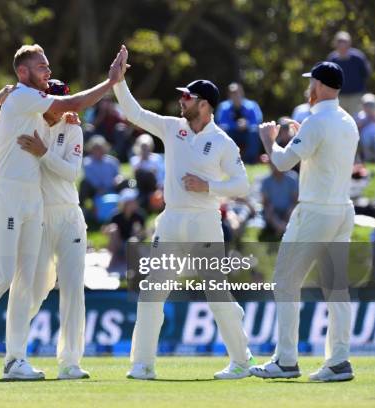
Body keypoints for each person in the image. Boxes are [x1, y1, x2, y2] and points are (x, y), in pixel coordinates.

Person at [0, 44, 128, 380]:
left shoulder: (38, 111)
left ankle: (15, 360)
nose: (48, 72)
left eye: (49, 67)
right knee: (3, 276)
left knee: (23, 281)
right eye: (42, 67)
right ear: (23, 72)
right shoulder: (22, 98)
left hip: (34, 200)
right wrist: (110, 84)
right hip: (6, 194)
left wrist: (2, 110)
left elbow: (62, 114)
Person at [112, 45, 254, 380]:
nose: (181, 102)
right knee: (152, 293)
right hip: (172, 220)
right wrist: (118, 83)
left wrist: (207, 187)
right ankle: (142, 364)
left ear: (204, 105)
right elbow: (135, 113)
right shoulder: (172, 127)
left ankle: (241, 361)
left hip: (205, 222)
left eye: (188, 98)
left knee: (217, 294)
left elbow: (242, 185)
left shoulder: (222, 142)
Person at [251, 62, 358, 382]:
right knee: (337, 289)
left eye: (311, 83)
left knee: (285, 281)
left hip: (315, 212)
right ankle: (339, 361)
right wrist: (302, 137)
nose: (307, 88)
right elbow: (324, 155)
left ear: (322, 86)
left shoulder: (316, 121)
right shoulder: (346, 120)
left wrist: (269, 139)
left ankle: (286, 361)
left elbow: (282, 163)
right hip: (342, 210)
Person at [0, 78, 90, 379]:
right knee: (31, 288)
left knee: (72, 289)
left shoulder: (73, 127)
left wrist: (43, 152)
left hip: (68, 216)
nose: (58, 108)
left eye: (61, 101)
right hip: (37, 216)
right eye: (53, 100)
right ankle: (15, 355)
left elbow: (71, 172)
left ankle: (70, 363)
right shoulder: (27, 121)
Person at [215, 82, 263, 163]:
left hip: (247, 134)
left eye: (237, 93)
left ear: (242, 93)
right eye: (232, 93)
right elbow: (220, 123)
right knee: (223, 131)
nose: (235, 95)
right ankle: (227, 159)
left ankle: (249, 160)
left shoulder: (252, 105)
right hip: (231, 134)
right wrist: (236, 125)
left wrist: (247, 124)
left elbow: (258, 121)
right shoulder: (223, 107)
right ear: (229, 95)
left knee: (254, 131)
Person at [327, 31, 371, 115]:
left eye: (345, 42)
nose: (342, 44)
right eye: (339, 42)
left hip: (356, 96)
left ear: (349, 43)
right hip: (339, 97)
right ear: (336, 43)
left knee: (356, 121)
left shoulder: (358, 58)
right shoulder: (332, 59)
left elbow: (365, 74)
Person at [259, 160, 298, 241]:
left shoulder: (292, 178)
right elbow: (265, 202)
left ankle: (281, 230)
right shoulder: (266, 181)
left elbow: (295, 200)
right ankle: (283, 229)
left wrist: (289, 210)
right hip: (273, 212)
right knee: (269, 212)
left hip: (288, 210)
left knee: (293, 211)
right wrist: (270, 208)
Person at [129, 133, 164, 210]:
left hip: (154, 185)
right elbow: (133, 177)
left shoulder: (157, 158)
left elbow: (160, 174)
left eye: (146, 147)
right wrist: (141, 160)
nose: (145, 150)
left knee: (149, 174)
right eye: (143, 148)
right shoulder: (135, 160)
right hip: (140, 186)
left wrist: (159, 188)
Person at [355, 93, 375, 162]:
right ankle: (368, 159)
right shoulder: (360, 115)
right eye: (367, 105)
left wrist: (373, 118)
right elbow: (356, 127)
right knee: (365, 139)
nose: (369, 107)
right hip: (363, 140)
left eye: (371, 105)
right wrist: (366, 120)